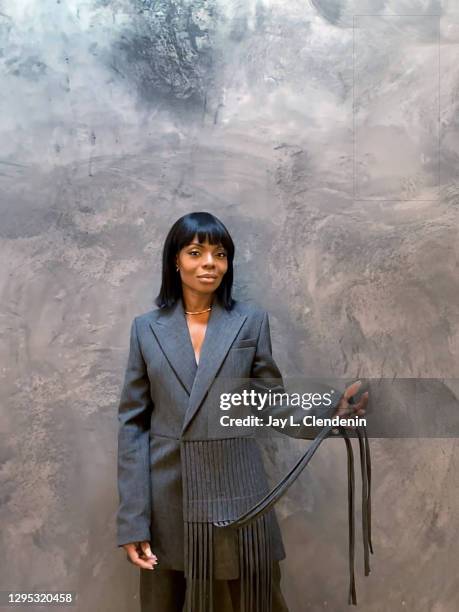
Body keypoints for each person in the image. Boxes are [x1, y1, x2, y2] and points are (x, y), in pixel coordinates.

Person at [116, 211, 368, 612]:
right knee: (165, 602)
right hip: (169, 498)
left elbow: (271, 403)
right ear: (175, 261)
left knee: (254, 599)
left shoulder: (249, 323)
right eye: (196, 252)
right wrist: (133, 520)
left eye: (219, 253)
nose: (209, 263)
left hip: (236, 490)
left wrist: (328, 409)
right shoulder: (146, 329)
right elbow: (132, 428)